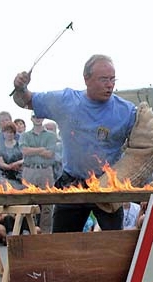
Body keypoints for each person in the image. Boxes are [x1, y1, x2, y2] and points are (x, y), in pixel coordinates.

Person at [12, 54, 137, 232]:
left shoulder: (127, 111)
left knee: (116, 243)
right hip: (72, 183)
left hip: (107, 186)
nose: (110, 85)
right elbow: (25, 100)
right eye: (103, 79)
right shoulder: (66, 101)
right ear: (86, 79)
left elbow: (143, 147)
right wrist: (20, 87)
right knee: (61, 243)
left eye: (112, 79)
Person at [20, 113, 58, 233]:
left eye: (40, 116)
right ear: (31, 118)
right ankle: (29, 230)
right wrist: (41, 149)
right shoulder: (25, 135)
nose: (37, 118)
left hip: (45, 170)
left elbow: (50, 154)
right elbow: (25, 151)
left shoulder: (51, 136)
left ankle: (46, 232)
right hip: (29, 169)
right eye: (35, 116)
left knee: (47, 202)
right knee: (27, 201)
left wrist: (33, 150)